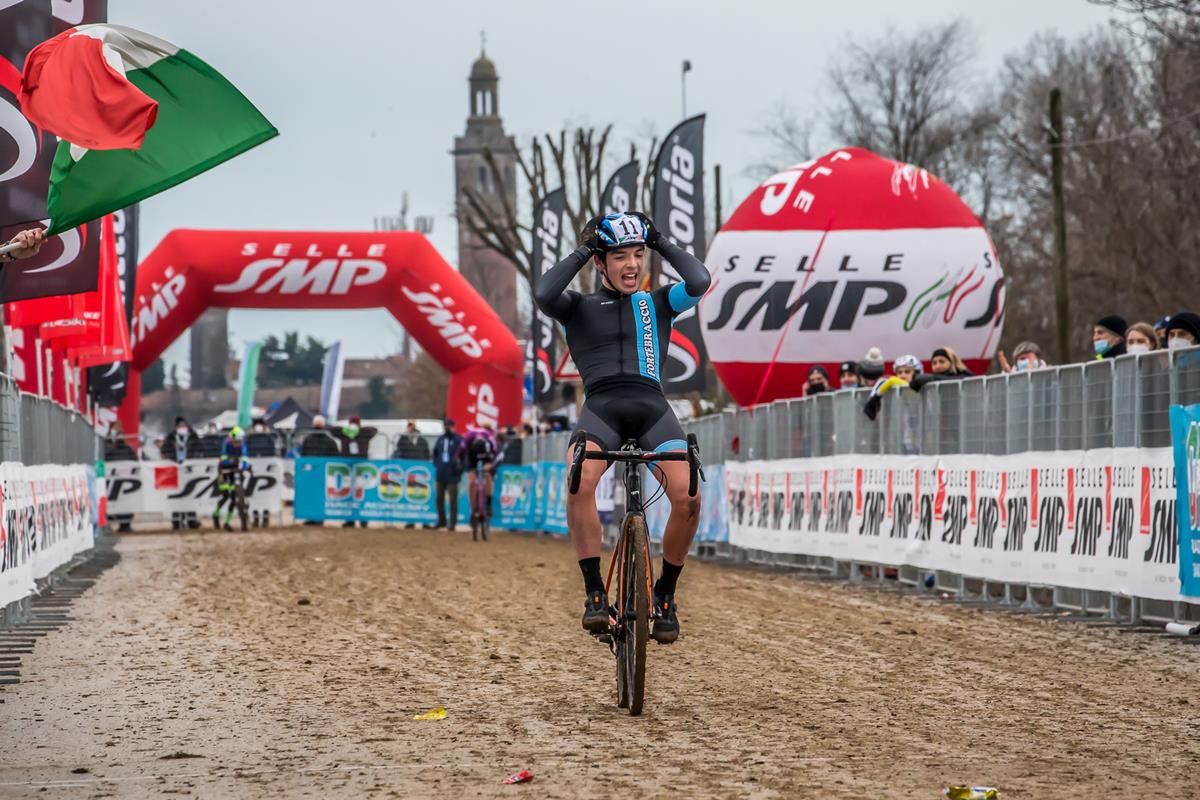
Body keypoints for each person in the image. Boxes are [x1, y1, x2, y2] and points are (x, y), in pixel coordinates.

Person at [533, 210, 711, 644]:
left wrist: (659, 240)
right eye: (620, 257)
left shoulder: (660, 302)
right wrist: (587, 247)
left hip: (652, 409)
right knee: (580, 481)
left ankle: (665, 595)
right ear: (600, 263)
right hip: (602, 411)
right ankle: (595, 593)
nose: (632, 265)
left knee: (688, 496)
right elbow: (543, 292)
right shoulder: (578, 307)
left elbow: (700, 281)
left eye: (638, 255)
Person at [334, 415, 376, 528]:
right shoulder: (347, 433)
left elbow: (374, 430)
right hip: (349, 469)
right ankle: (350, 520)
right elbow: (332, 430)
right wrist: (347, 429)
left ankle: (363, 520)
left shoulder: (363, 433)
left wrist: (357, 430)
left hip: (360, 469)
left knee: (360, 495)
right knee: (349, 495)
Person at [455, 423, 500, 523]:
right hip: (471, 455)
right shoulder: (468, 438)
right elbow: (460, 452)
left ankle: (488, 502)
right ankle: (473, 507)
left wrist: (492, 467)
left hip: (486, 454)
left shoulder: (490, 438)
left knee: (488, 473)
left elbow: (496, 455)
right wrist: (460, 464)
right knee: (471, 479)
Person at [213, 426, 250, 532]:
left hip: (235, 471)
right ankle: (216, 514)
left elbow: (245, 458)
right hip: (224, 472)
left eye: (240, 440)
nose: (238, 442)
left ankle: (227, 523)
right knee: (225, 496)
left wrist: (244, 465)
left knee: (234, 498)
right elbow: (223, 460)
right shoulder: (226, 444)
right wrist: (231, 462)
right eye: (237, 440)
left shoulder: (242, 445)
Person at [431, 419, 463, 530]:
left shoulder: (459, 440)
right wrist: (437, 463)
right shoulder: (441, 439)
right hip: (441, 472)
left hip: (453, 473)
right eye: (446, 426)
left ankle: (452, 523)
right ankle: (442, 520)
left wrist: (460, 467)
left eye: (449, 426)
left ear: (454, 427)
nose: (447, 428)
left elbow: (464, 455)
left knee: (453, 499)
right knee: (439, 498)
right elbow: (435, 452)